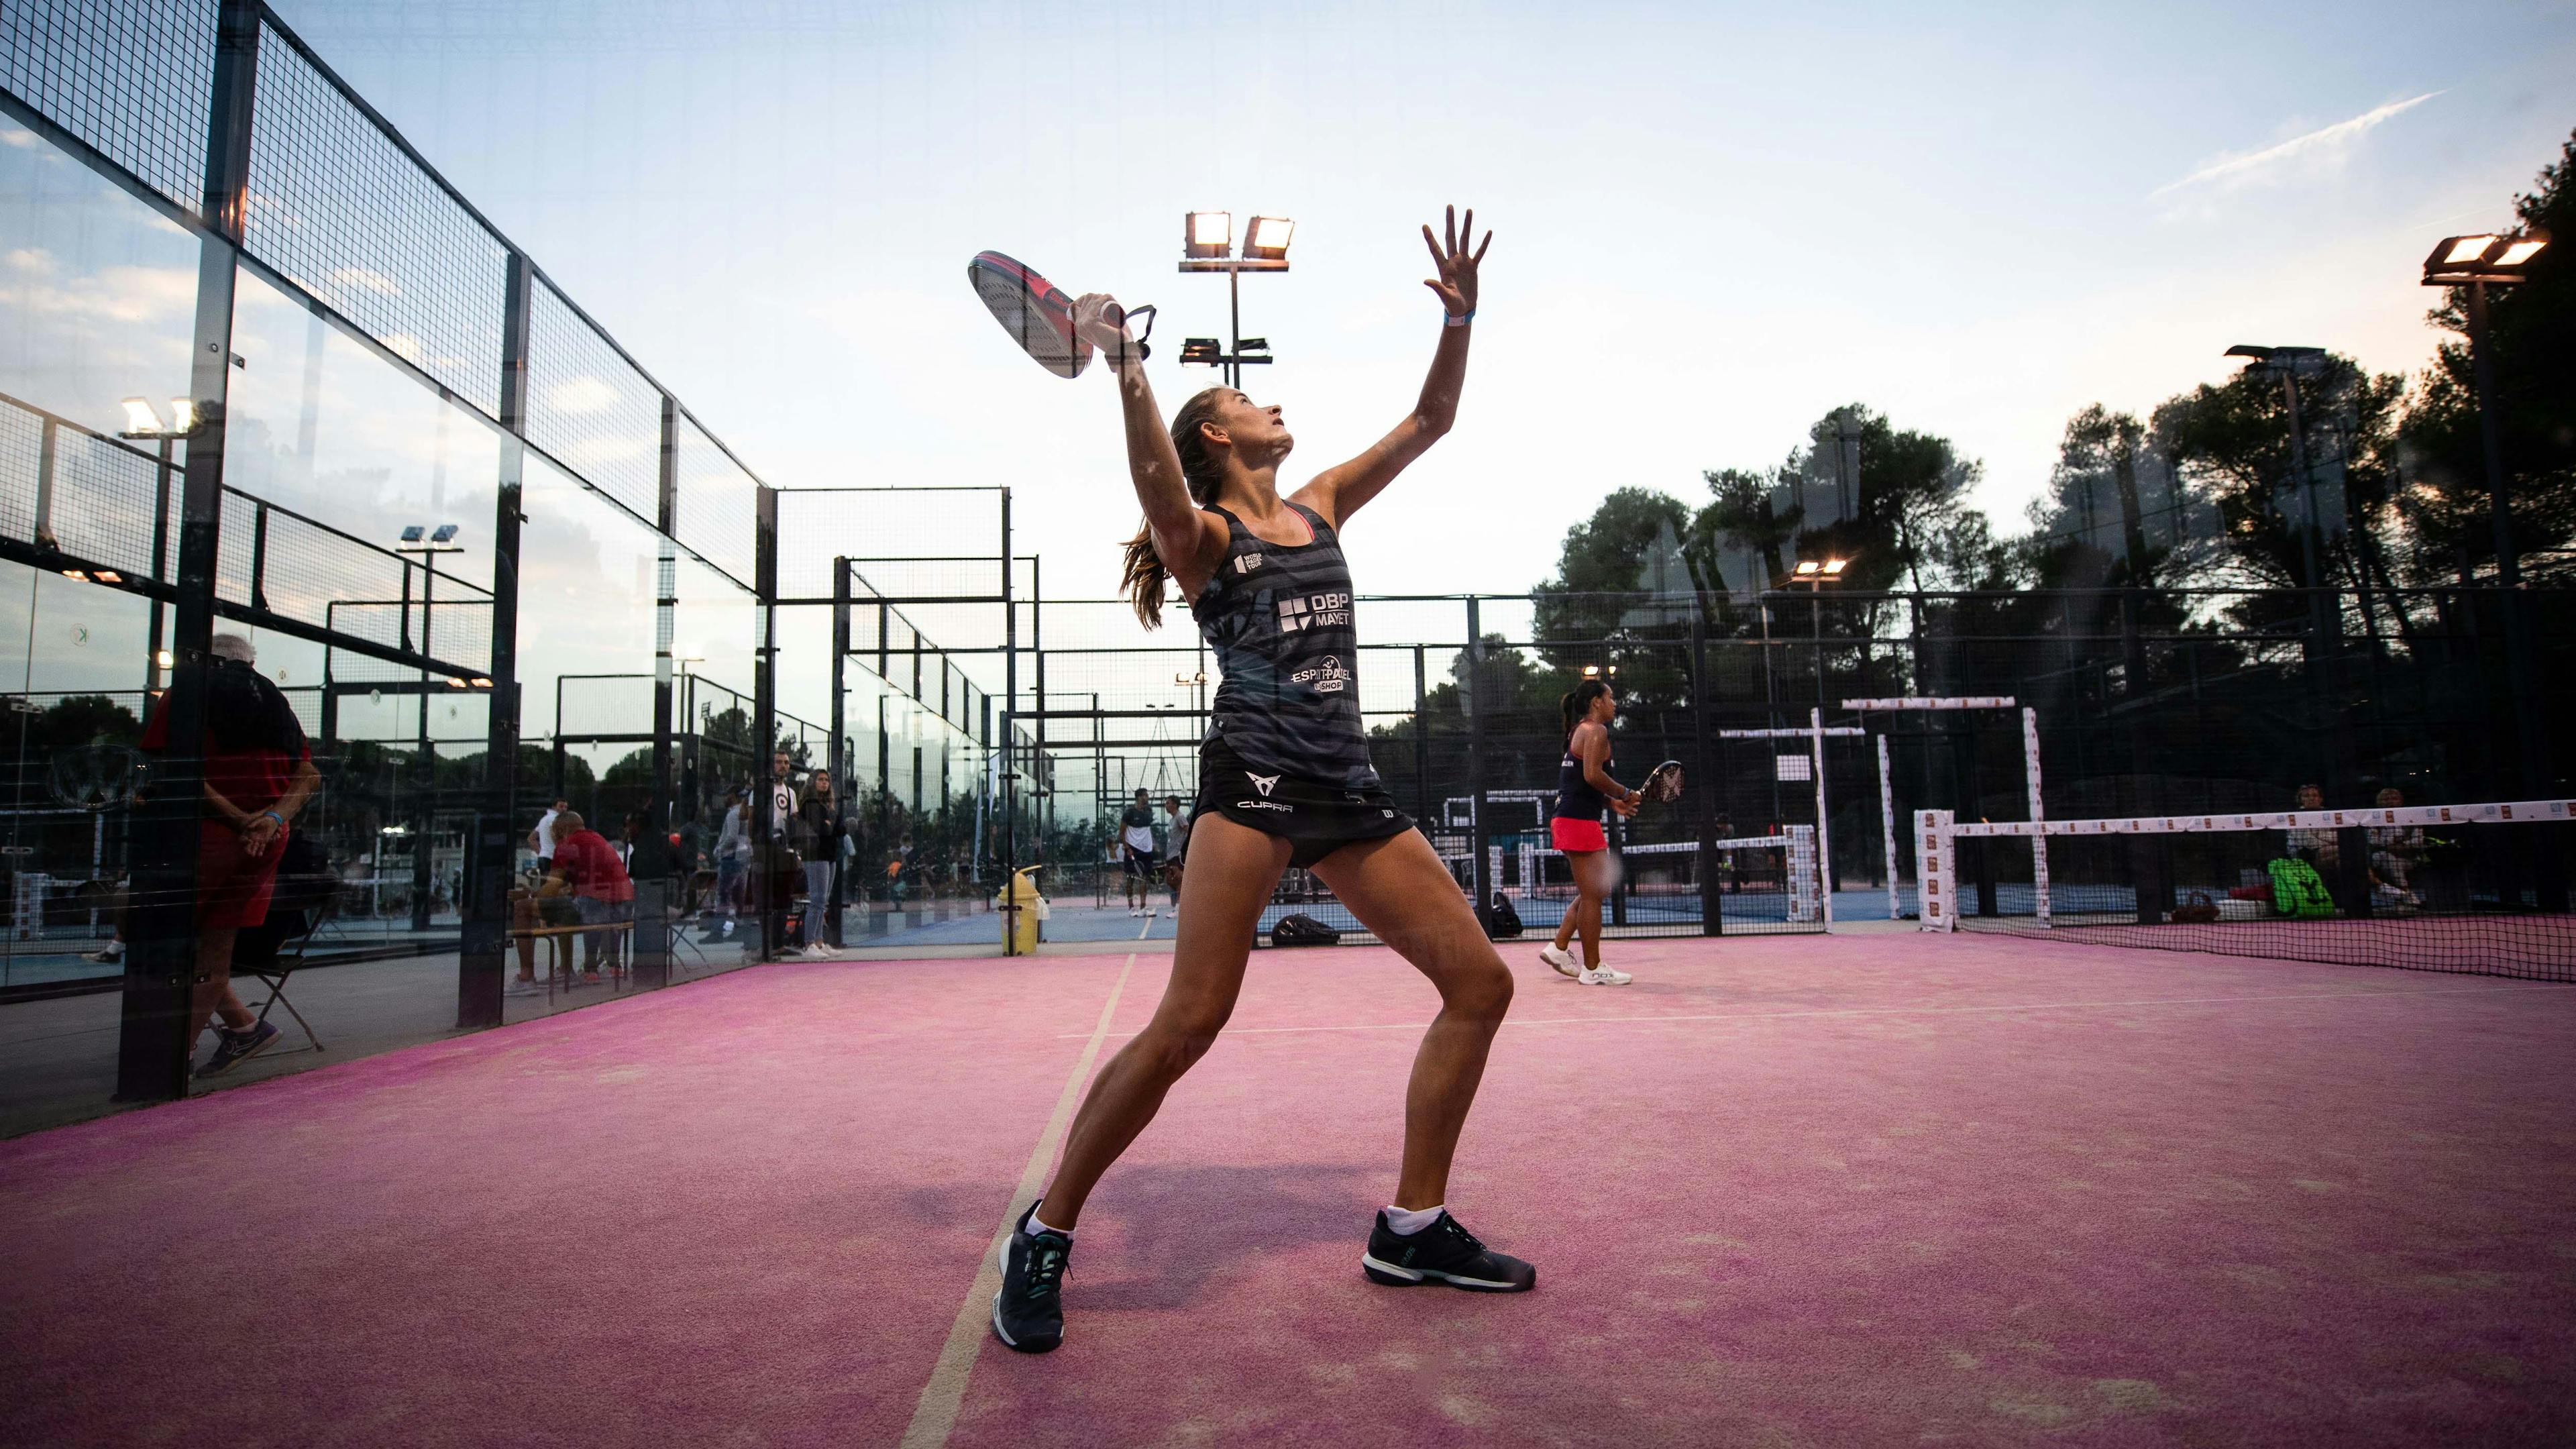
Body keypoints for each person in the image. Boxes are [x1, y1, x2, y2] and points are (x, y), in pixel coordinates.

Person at [990, 208, 1527, 1358]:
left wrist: (1461, 315)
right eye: (1245, 401)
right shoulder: (1202, 542)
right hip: (1251, 788)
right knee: (1192, 1021)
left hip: (1347, 789)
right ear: (1219, 441)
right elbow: (1149, 471)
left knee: (1480, 985)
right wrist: (1129, 366)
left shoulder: (1322, 500)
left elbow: (1434, 419)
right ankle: (1045, 1231)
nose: (1267, 401)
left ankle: (1413, 1226)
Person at [138, 633, 323, 1077]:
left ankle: (168, 1065)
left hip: (207, 835)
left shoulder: (186, 696)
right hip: (264, 841)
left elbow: (176, 773)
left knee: (158, 938)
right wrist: (273, 819)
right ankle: (242, 1027)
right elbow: (309, 774)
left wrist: (240, 819)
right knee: (215, 950)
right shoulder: (276, 703)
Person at [1536, 680, 1640, 986]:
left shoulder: (1580, 731)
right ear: (1596, 702)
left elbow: (1579, 782)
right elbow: (1592, 775)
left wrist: (1612, 802)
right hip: (1576, 821)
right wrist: (1625, 792)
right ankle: (1593, 968)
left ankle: (1558, 948)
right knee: (1594, 895)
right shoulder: (1596, 731)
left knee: (1593, 892)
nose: (1614, 703)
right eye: (1610, 697)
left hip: (1574, 819)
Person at [547, 810, 633, 981]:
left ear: (562, 829)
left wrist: (529, 895)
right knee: (602, 913)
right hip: (625, 903)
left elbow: (551, 888)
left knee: (559, 913)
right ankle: (612, 966)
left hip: (595, 908)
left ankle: (575, 969)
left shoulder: (566, 845)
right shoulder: (597, 839)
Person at [796, 767, 847, 954]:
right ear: (813, 782)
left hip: (829, 855)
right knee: (817, 899)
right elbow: (824, 830)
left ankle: (819, 941)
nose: (824, 783)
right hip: (816, 855)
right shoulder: (810, 805)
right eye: (820, 780)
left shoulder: (828, 806)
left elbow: (841, 829)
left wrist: (830, 824)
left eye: (827, 780)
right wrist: (830, 825)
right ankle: (808, 943)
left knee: (823, 900)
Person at [2366, 786, 2424, 912]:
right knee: (2387, 858)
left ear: (2401, 801)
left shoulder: (2412, 818)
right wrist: (2398, 843)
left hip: (2409, 859)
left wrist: (2392, 846)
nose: (2390, 801)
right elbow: (2373, 841)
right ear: (2379, 802)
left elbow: (2417, 842)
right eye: (2385, 799)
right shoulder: (2372, 819)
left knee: (2391, 860)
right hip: (2380, 858)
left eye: (2394, 798)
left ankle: (2402, 896)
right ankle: (2406, 893)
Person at [713, 788, 750, 936]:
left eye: (726, 795)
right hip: (742, 857)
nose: (724, 798)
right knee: (738, 894)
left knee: (723, 894)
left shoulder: (734, 814)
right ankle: (737, 924)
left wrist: (719, 850)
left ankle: (718, 929)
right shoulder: (745, 813)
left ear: (733, 796)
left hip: (731, 857)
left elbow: (732, 838)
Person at [1118, 787, 1159, 916]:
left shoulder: (1148, 812)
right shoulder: (1129, 813)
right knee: (1131, 878)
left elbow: (1147, 830)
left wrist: (1152, 843)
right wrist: (1127, 848)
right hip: (1133, 849)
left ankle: (1143, 908)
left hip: (1146, 851)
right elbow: (1121, 832)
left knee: (1144, 878)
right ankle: (1131, 908)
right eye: (1145, 795)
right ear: (1139, 797)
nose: (1147, 797)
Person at [1161, 794, 1190, 914]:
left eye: (1168, 803)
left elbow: (1188, 831)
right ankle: (1175, 906)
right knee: (1170, 880)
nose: (1166, 805)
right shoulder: (1172, 819)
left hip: (1178, 854)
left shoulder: (1180, 817)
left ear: (1174, 804)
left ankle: (1178, 907)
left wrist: (1184, 848)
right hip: (1170, 854)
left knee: (1179, 879)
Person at [529, 797, 567, 875]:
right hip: (553, 859)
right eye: (561, 806)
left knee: (546, 885)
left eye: (566, 807)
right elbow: (553, 832)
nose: (564, 809)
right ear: (554, 807)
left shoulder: (544, 819)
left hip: (543, 857)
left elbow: (531, 839)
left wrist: (541, 853)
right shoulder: (555, 818)